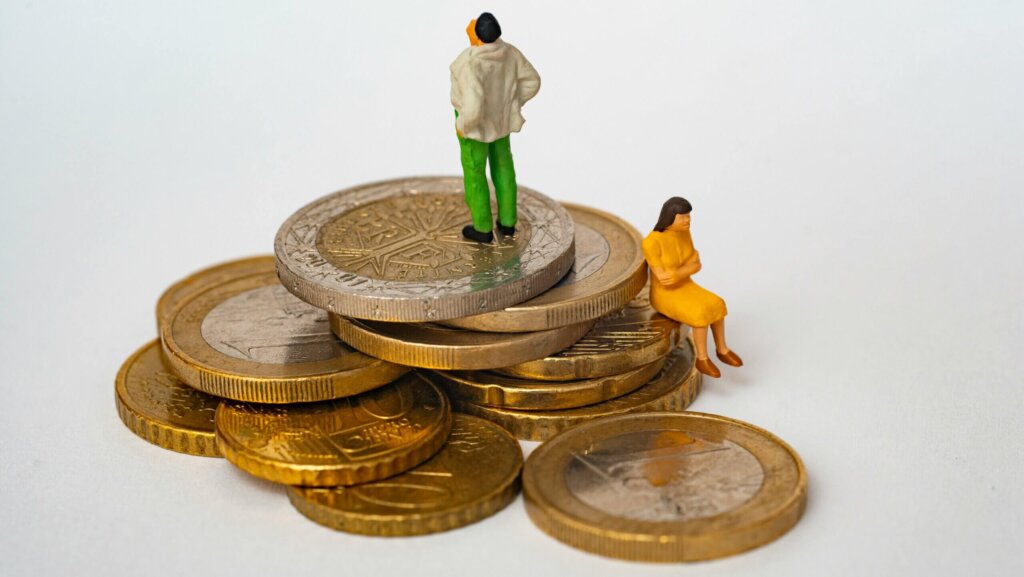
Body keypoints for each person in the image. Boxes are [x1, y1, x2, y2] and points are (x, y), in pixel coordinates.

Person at [450, 13, 541, 243]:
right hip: (501, 122)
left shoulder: (470, 62)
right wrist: (513, 102)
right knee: (503, 167)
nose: (469, 26)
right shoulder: (510, 53)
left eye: (473, 26)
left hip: (475, 129)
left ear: (478, 35)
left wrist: (463, 124)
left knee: (475, 174)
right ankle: (508, 222)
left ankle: (482, 227)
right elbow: (532, 80)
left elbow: (472, 106)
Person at [642, 197, 743, 378]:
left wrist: (679, 272)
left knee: (718, 303)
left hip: (686, 285)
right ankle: (702, 358)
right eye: (683, 217)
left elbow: (697, 265)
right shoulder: (651, 242)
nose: (687, 221)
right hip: (664, 295)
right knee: (699, 312)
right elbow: (664, 278)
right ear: (669, 217)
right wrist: (685, 269)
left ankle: (722, 349)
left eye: (688, 217)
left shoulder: (684, 234)